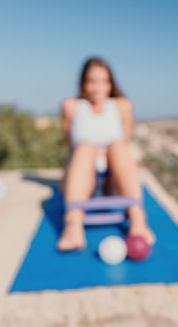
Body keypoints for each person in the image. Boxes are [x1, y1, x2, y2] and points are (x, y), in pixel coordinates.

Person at [57, 56, 156, 251]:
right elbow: (71, 146)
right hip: (82, 177)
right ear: (83, 83)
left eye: (103, 81)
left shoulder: (122, 106)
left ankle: (138, 219)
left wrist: (104, 152)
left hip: (112, 177)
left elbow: (123, 145)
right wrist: (91, 152)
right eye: (92, 81)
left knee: (117, 146)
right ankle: (73, 224)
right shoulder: (71, 106)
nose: (97, 87)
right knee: (85, 148)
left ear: (111, 83)